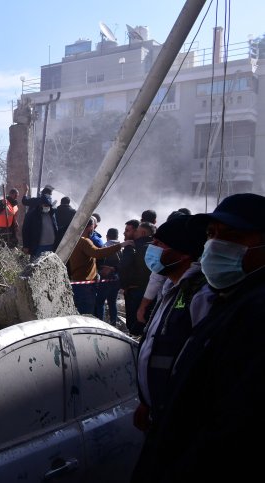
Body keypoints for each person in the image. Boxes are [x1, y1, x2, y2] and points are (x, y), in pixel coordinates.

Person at [131, 193, 265, 482]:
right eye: (211, 234)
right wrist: (150, 402)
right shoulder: (225, 297)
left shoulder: (241, 306)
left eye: (233, 236)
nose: (216, 244)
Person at [132, 215, 209, 434]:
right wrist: (146, 402)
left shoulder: (201, 295)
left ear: (184, 254)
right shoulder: (171, 287)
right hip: (158, 410)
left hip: (181, 420)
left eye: (159, 245)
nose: (151, 249)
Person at [67, 217, 129, 315]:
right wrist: (121, 245)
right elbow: (98, 253)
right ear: (89, 227)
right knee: (86, 313)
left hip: (77, 281)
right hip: (85, 284)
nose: (93, 230)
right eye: (92, 227)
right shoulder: (84, 241)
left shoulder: (73, 239)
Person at [119, 221, 155, 336]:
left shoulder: (134, 246)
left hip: (134, 290)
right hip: (151, 291)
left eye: (137, 231)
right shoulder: (157, 246)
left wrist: (124, 286)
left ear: (143, 232)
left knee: (134, 325)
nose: (134, 234)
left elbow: (124, 266)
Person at [95, 227, 122, 325]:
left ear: (107, 236)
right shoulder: (122, 247)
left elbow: (99, 261)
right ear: (117, 236)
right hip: (116, 280)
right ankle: (113, 324)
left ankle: (100, 323)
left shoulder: (105, 246)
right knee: (112, 302)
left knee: (100, 302)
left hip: (105, 279)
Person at [21, 190, 58, 261]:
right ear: (40, 205)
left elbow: (55, 227)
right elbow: (25, 230)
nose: (47, 207)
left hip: (51, 246)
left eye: (48, 205)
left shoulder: (51, 214)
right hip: (38, 247)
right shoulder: (32, 214)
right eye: (45, 205)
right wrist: (26, 246)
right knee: (36, 266)